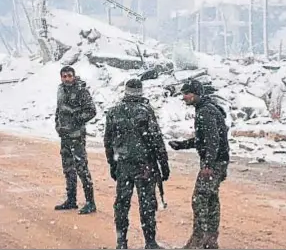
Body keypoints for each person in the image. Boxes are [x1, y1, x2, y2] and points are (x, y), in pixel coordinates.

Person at [104, 79, 170, 249]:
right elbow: (156, 139)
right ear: (140, 92)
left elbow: (108, 142)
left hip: (123, 165)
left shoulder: (114, 112)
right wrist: (164, 163)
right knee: (147, 203)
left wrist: (112, 164)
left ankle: (121, 242)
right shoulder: (145, 111)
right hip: (144, 166)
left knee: (122, 204)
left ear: (126, 91)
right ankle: (150, 242)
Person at [168, 79, 229, 249]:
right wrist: (183, 145)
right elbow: (204, 139)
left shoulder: (206, 112)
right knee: (211, 199)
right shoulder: (207, 109)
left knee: (200, 199)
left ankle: (198, 241)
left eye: (186, 93)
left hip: (214, 162)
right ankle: (210, 241)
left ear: (196, 93)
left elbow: (212, 140)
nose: (184, 97)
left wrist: (208, 165)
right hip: (220, 160)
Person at [54, 65, 97, 215]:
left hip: (77, 136)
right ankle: (71, 200)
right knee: (68, 168)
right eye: (64, 76)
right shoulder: (61, 90)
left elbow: (91, 111)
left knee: (81, 168)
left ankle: (90, 202)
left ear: (74, 76)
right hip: (65, 136)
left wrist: (76, 120)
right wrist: (57, 125)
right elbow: (59, 110)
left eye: (69, 76)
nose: (67, 78)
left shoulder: (81, 91)